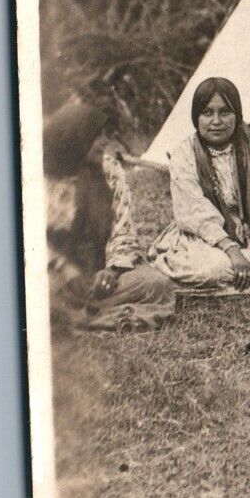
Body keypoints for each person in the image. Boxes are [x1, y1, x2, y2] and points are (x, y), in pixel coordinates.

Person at [150, 77, 250, 294]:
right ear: (196, 117)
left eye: (224, 112)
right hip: (204, 238)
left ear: (237, 115)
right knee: (215, 268)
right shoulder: (184, 153)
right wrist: (232, 251)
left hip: (249, 231)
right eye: (207, 113)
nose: (216, 121)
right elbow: (194, 211)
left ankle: (233, 285)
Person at [44, 83, 175, 331]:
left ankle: (77, 313)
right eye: (97, 136)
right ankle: (72, 313)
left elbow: (123, 232)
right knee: (43, 291)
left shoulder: (110, 172)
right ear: (76, 139)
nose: (105, 142)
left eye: (106, 134)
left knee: (156, 284)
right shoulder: (44, 180)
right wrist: (67, 271)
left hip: (98, 276)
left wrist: (111, 271)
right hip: (58, 277)